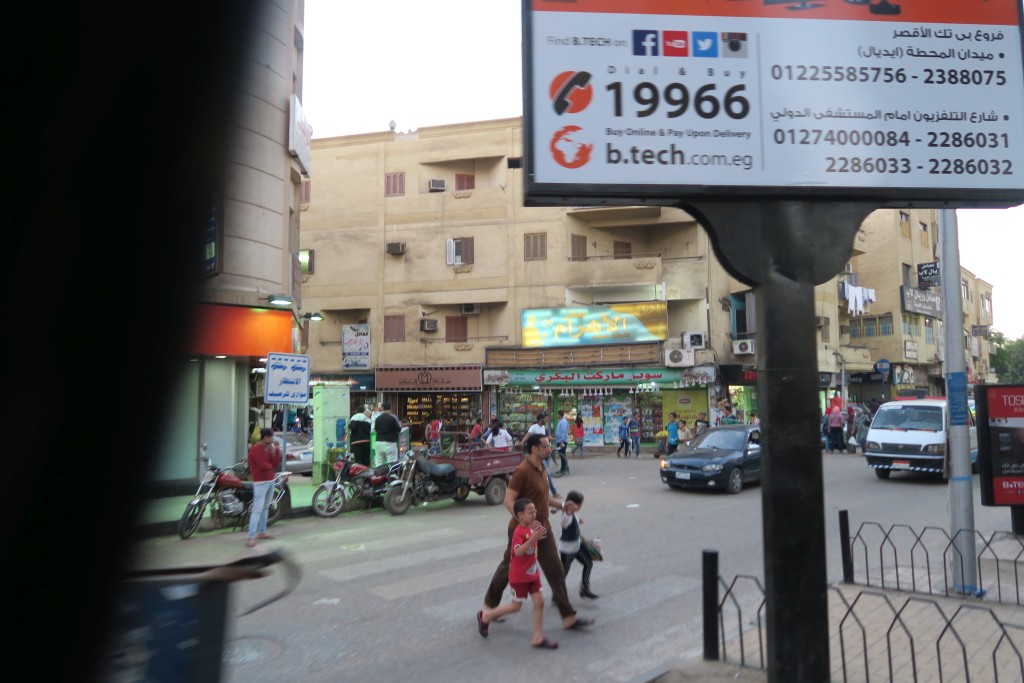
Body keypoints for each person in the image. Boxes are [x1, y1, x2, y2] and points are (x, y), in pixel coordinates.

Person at [481, 433, 594, 632]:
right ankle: (488, 608)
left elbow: (542, 497)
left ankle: (568, 617)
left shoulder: (542, 468)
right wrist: (524, 524)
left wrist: (562, 506)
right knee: (507, 569)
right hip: (521, 532)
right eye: (546, 446)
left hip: (543, 530)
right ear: (534, 449)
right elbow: (509, 500)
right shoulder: (522, 471)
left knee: (556, 571)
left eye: (549, 445)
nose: (550, 449)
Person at [476, 497, 558, 649]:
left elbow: (533, 535)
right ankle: (486, 615)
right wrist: (533, 538)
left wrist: (535, 530)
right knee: (515, 607)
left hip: (533, 574)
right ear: (520, 515)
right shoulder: (518, 532)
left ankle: (537, 637)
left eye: (535, 512)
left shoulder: (530, 528)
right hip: (519, 576)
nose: (534, 515)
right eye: (530, 513)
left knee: (539, 602)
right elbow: (518, 552)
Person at [559, 490, 598, 600]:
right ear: (574, 504)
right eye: (580, 504)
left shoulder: (573, 512)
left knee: (588, 563)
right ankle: (558, 593)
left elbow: (571, 521)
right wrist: (569, 513)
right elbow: (564, 523)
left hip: (577, 546)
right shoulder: (566, 513)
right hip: (567, 549)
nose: (580, 507)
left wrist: (577, 520)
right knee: (564, 572)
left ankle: (585, 589)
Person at [246, 428, 281, 548]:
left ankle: (262, 531)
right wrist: (271, 468)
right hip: (260, 482)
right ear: (265, 437)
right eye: (271, 437)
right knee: (257, 509)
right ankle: (251, 537)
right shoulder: (256, 448)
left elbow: (275, 463)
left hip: (270, 480)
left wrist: (277, 450)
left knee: (265, 508)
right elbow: (262, 465)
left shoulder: (270, 448)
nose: (272, 439)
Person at [528, 412, 558, 497]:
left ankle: (540, 491)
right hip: (539, 455)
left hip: (546, 453)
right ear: (541, 419)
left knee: (542, 473)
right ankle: (553, 492)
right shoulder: (533, 427)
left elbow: (543, 438)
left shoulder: (543, 427)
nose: (546, 420)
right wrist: (522, 442)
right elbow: (528, 435)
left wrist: (549, 439)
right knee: (546, 473)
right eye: (545, 419)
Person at [374, 400, 402, 467]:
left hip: (378, 442)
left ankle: (379, 473)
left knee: (379, 463)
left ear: (383, 408)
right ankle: (392, 474)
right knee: (392, 463)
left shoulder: (378, 418)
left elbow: (376, 429)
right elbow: (398, 429)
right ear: (390, 408)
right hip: (390, 442)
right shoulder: (392, 418)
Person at [554, 410, 570, 476]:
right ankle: (563, 469)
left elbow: (564, 432)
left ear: (560, 415)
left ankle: (566, 470)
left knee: (562, 455)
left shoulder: (563, 422)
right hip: (559, 440)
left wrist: (562, 441)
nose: (556, 415)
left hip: (562, 441)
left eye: (557, 414)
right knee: (561, 455)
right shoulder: (560, 421)